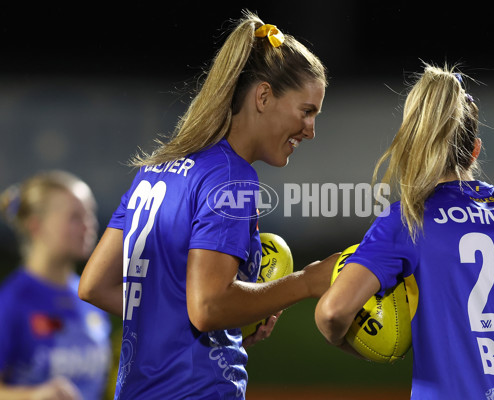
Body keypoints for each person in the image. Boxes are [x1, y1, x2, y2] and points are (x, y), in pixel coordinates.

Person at [77, 10, 338, 400]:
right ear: (263, 96)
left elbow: (94, 286)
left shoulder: (157, 169)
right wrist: (308, 281)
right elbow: (209, 306)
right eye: (307, 111)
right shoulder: (232, 177)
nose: (311, 130)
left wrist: (225, 327)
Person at [315, 63, 494, 399]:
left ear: (414, 147)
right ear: (475, 150)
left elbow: (334, 311)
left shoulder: (408, 220)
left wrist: (348, 342)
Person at [0, 170, 112, 400]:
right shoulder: (12, 301)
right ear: (36, 226)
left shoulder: (91, 294)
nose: (89, 225)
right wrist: (33, 396)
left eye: (90, 214)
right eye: (75, 217)